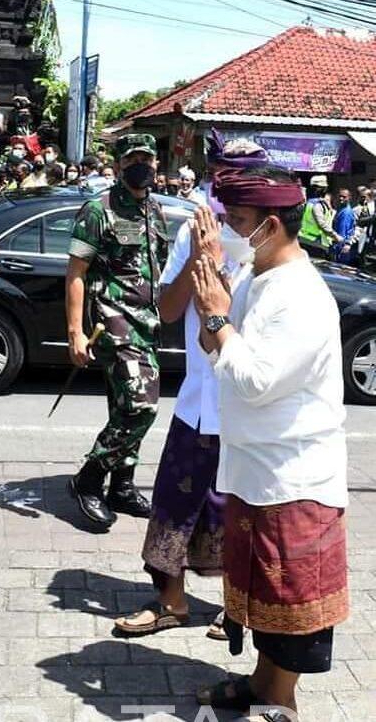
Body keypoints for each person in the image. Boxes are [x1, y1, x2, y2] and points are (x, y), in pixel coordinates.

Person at [192, 165, 348, 722]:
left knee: (291, 600)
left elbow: (255, 380)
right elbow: (220, 352)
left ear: (272, 225)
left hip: (293, 474)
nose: (230, 230)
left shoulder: (301, 297)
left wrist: (216, 315)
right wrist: (214, 305)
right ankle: (261, 683)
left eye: (237, 221)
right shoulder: (258, 276)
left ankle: (280, 701)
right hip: (253, 467)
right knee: (259, 591)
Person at [115, 135, 270, 639]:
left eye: (239, 177)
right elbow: (167, 308)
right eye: (222, 174)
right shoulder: (197, 226)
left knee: (239, 512)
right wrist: (199, 255)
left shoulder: (269, 238)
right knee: (173, 501)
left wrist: (220, 266)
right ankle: (171, 602)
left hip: (246, 403)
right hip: (198, 401)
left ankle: (237, 612)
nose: (226, 188)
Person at [66, 133, 168, 528]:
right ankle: (89, 479)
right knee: (142, 405)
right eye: (133, 159)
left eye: (148, 158)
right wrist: (75, 331)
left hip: (148, 321)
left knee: (123, 405)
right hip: (113, 322)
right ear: (120, 165)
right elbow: (75, 273)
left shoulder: (154, 209)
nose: (142, 165)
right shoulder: (98, 210)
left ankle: (121, 486)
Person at [299, 175, 340, 253]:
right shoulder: (317, 205)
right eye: (324, 188)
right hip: (316, 243)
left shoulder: (308, 202)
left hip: (304, 239)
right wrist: (336, 236)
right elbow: (322, 224)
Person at [331, 188, 359, 265]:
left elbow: (342, 233)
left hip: (342, 248)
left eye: (344, 197)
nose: (341, 198)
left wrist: (338, 249)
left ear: (349, 198)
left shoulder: (346, 213)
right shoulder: (341, 209)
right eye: (340, 196)